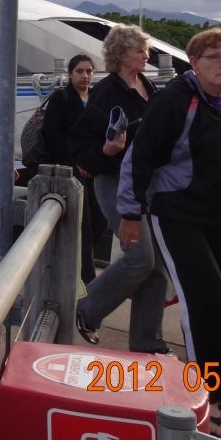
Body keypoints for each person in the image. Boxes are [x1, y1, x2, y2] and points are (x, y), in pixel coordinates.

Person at [123, 27, 221, 439]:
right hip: (178, 215)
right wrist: (130, 213)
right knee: (204, 303)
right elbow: (139, 158)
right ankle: (204, 399)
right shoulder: (175, 102)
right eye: (215, 57)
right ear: (194, 62)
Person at [71, 24, 168, 353]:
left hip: (147, 184)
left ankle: (148, 342)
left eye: (146, 50)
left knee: (156, 266)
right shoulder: (106, 93)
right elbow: (81, 150)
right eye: (140, 50)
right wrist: (107, 150)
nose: (146, 55)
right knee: (140, 259)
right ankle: (86, 309)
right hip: (115, 183)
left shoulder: (147, 86)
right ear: (121, 53)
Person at [31, 54, 102, 284]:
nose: (85, 76)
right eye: (80, 71)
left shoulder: (96, 98)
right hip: (69, 170)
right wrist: (78, 161)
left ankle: (74, 264)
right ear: (70, 74)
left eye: (89, 71)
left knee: (100, 221)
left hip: (95, 169)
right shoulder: (61, 98)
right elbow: (54, 135)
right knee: (84, 224)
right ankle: (87, 282)